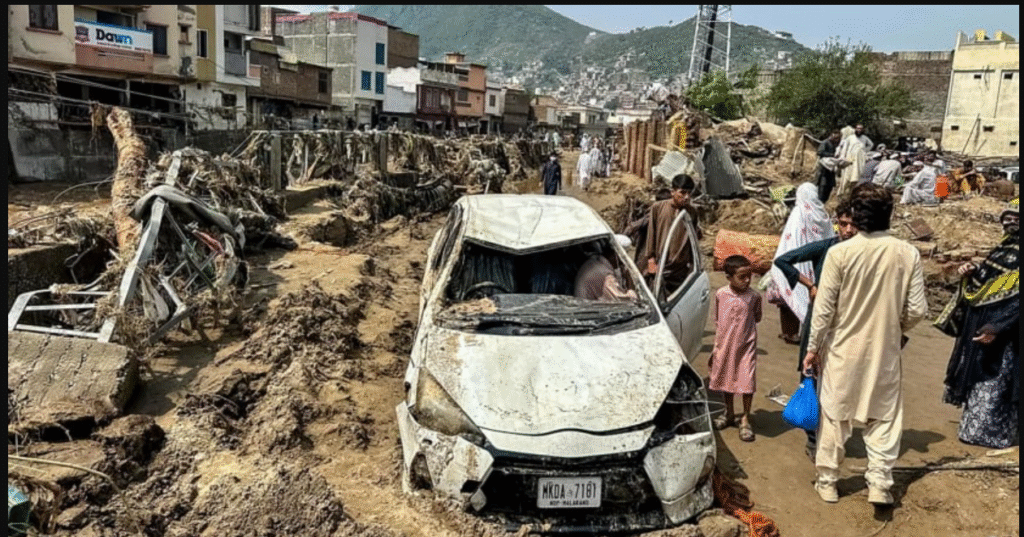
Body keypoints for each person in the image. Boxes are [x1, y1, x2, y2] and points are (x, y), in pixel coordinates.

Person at [803, 183, 927, 506]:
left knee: (834, 415)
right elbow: (917, 310)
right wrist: (896, 329)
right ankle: (879, 484)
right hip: (885, 349)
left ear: (856, 216)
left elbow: (823, 310)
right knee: (884, 418)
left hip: (843, 348)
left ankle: (828, 482)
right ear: (890, 214)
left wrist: (813, 348)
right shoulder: (907, 253)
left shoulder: (840, 253)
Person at [773, 198, 857, 461]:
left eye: (853, 225)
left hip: (846, 323)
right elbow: (785, 260)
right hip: (818, 320)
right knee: (810, 376)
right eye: (843, 224)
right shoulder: (828, 247)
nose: (848, 230)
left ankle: (833, 433)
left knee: (841, 380)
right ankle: (812, 437)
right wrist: (810, 284)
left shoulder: (863, 254)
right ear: (837, 224)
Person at [937, 198, 1019, 449]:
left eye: (1017, 217)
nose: (1011, 221)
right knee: (979, 372)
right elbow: (990, 280)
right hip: (984, 321)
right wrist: (972, 272)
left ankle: (994, 434)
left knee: (997, 378)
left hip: (1006, 331)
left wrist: (998, 326)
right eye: (1008, 217)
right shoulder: (1005, 247)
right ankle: (974, 428)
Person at [766, 183, 836, 346]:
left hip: (794, 261)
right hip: (816, 263)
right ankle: (802, 332)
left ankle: (790, 333)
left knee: (788, 296)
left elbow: (791, 238)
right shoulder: (822, 214)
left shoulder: (799, 212)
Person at [709, 255, 763, 442]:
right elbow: (718, 318)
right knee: (727, 379)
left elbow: (757, 318)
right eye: (742, 277)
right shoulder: (721, 294)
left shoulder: (754, 297)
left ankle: (745, 418)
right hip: (725, 346)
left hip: (746, 347)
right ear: (729, 277)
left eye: (749, 276)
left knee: (747, 382)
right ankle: (729, 412)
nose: (747, 280)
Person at [640, 174, 702, 291]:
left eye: (689, 193)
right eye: (682, 193)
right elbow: (651, 234)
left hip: (680, 269)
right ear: (672, 192)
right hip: (660, 265)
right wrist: (651, 260)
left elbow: (692, 240)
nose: (687, 197)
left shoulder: (692, 212)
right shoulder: (658, 208)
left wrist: (693, 264)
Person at [574, 245, 639, 301]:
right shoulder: (605, 274)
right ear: (616, 255)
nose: (622, 262)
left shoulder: (593, 262)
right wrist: (630, 283)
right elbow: (625, 300)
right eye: (622, 259)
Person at [837, 126, 867, 197]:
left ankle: (849, 194)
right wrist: (843, 156)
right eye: (858, 128)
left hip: (858, 162)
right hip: (849, 160)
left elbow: (870, 144)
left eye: (860, 128)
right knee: (846, 178)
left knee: (854, 178)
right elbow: (844, 148)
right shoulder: (850, 138)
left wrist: (863, 152)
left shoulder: (864, 138)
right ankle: (842, 193)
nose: (859, 130)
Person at [815, 130, 843, 203]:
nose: (837, 139)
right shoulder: (825, 142)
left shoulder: (835, 144)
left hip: (831, 170)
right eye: (835, 138)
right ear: (832, 135)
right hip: (824, 169)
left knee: (829, 187)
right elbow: (819, 152)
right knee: (822, 187)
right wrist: (832, 155)